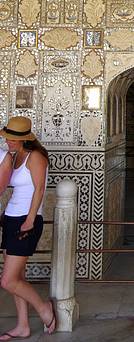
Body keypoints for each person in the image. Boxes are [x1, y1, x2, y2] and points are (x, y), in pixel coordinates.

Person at [0, 116, 56, 339]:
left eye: (13, 139)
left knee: (8, 281)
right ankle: (22, 325)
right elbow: (15, 188)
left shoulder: (36, 157)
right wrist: (6, 213)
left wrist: (30, 220)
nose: (9, 142)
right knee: (18, 278)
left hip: (26, 220)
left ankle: (43, 308)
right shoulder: (14, 157)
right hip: (12, 219)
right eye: (7, 138)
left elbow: (39, 190)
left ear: (24, 139)